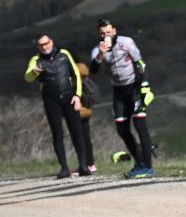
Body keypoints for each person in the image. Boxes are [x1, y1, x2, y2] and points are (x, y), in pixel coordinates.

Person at [89, 19, 157, 179]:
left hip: (134, 87)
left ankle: (148, 166)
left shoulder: (126, 42)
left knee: (140, 125)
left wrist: (145, 86)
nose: (106, 35)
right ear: (98, 35)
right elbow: (93, 69)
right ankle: (139, 161)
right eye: (102, 33)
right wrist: (101, 53)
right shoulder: (97, 50)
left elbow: (140, 63)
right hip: (118, 91)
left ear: (114, 30)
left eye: (108, 32)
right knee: (122, 129)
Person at [24, 34, 89, 179]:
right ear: (37, 47)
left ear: (51, 42)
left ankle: (83, 166)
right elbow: (27, 77)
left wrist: (77, 96)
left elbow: (75, 75)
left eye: (46, 43)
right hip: (51, 100)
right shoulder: (36, 60)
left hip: (69, 98)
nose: (44, 47)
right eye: (41, 45)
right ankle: (64, 168)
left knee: (77, 131)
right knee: (57, 134)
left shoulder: (64, 54)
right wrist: (33, 72)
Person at [77, 62, 99, 174]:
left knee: (82, 138)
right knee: (84, 137)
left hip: (80, 108)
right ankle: (89, 164)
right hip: (84, 108)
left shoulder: (76, 68)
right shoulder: (81, 67)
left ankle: (87, 164)